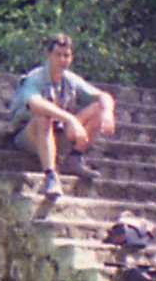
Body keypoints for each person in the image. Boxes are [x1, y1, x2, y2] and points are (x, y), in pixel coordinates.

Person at [9, 33, 116, 200]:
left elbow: (103, 96)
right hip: (29, 134)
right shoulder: (35, 78)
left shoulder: (71, 80)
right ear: (49, 56)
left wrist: (108, 112)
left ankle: (75, 157)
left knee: (98, 107)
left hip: (58, 133)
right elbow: (36, 103)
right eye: (58, 55)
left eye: (66, 55)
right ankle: (51, 176)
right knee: (43, 116)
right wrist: (71, 119)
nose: (62, 60)